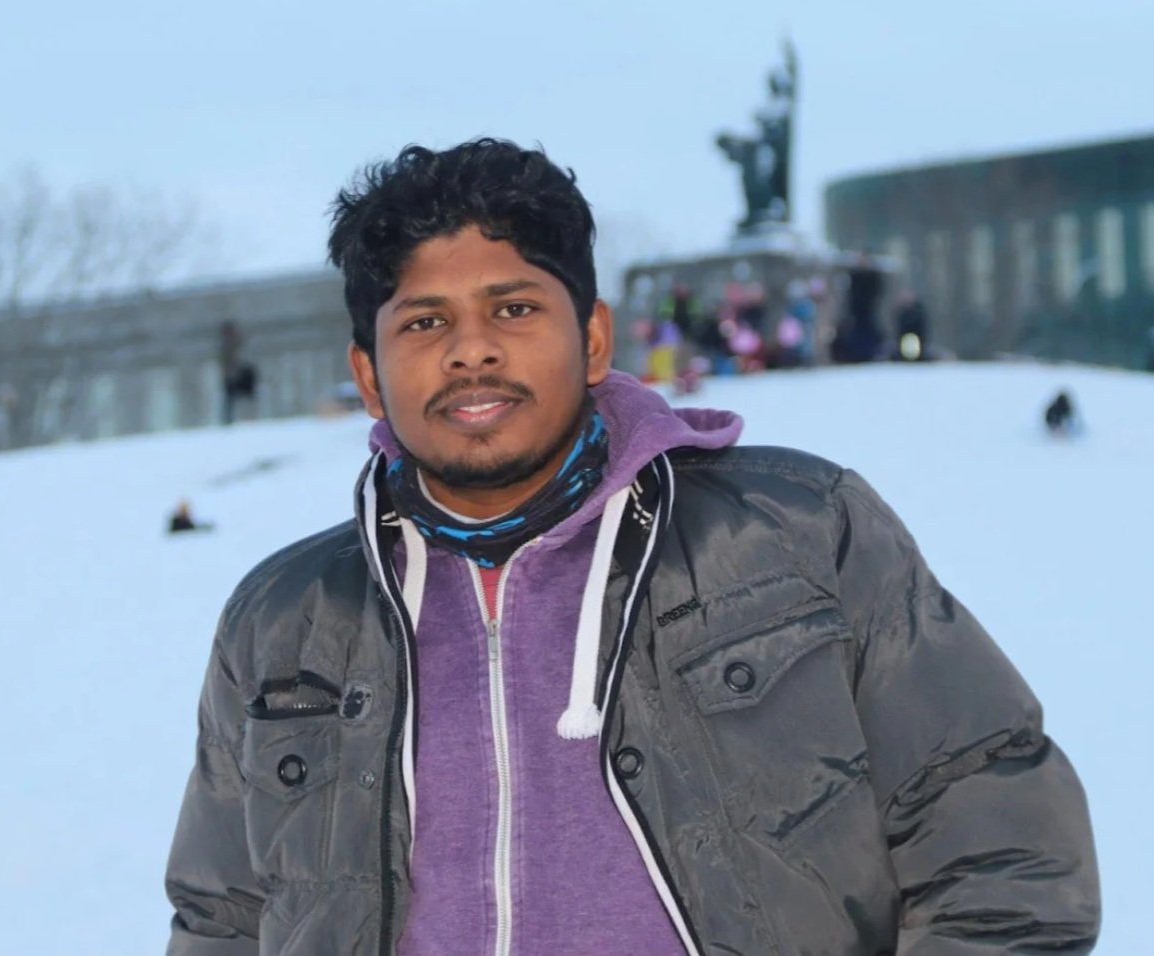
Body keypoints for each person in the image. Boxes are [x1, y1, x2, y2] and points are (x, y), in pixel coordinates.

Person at [164, 139, 1100, 955]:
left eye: (515, 308)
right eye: (423, 322)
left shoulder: (797, 530)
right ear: (368, 374)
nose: (471, 350)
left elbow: (997, 833)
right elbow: (222, 919)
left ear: (596, 337)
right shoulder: (285, 620)